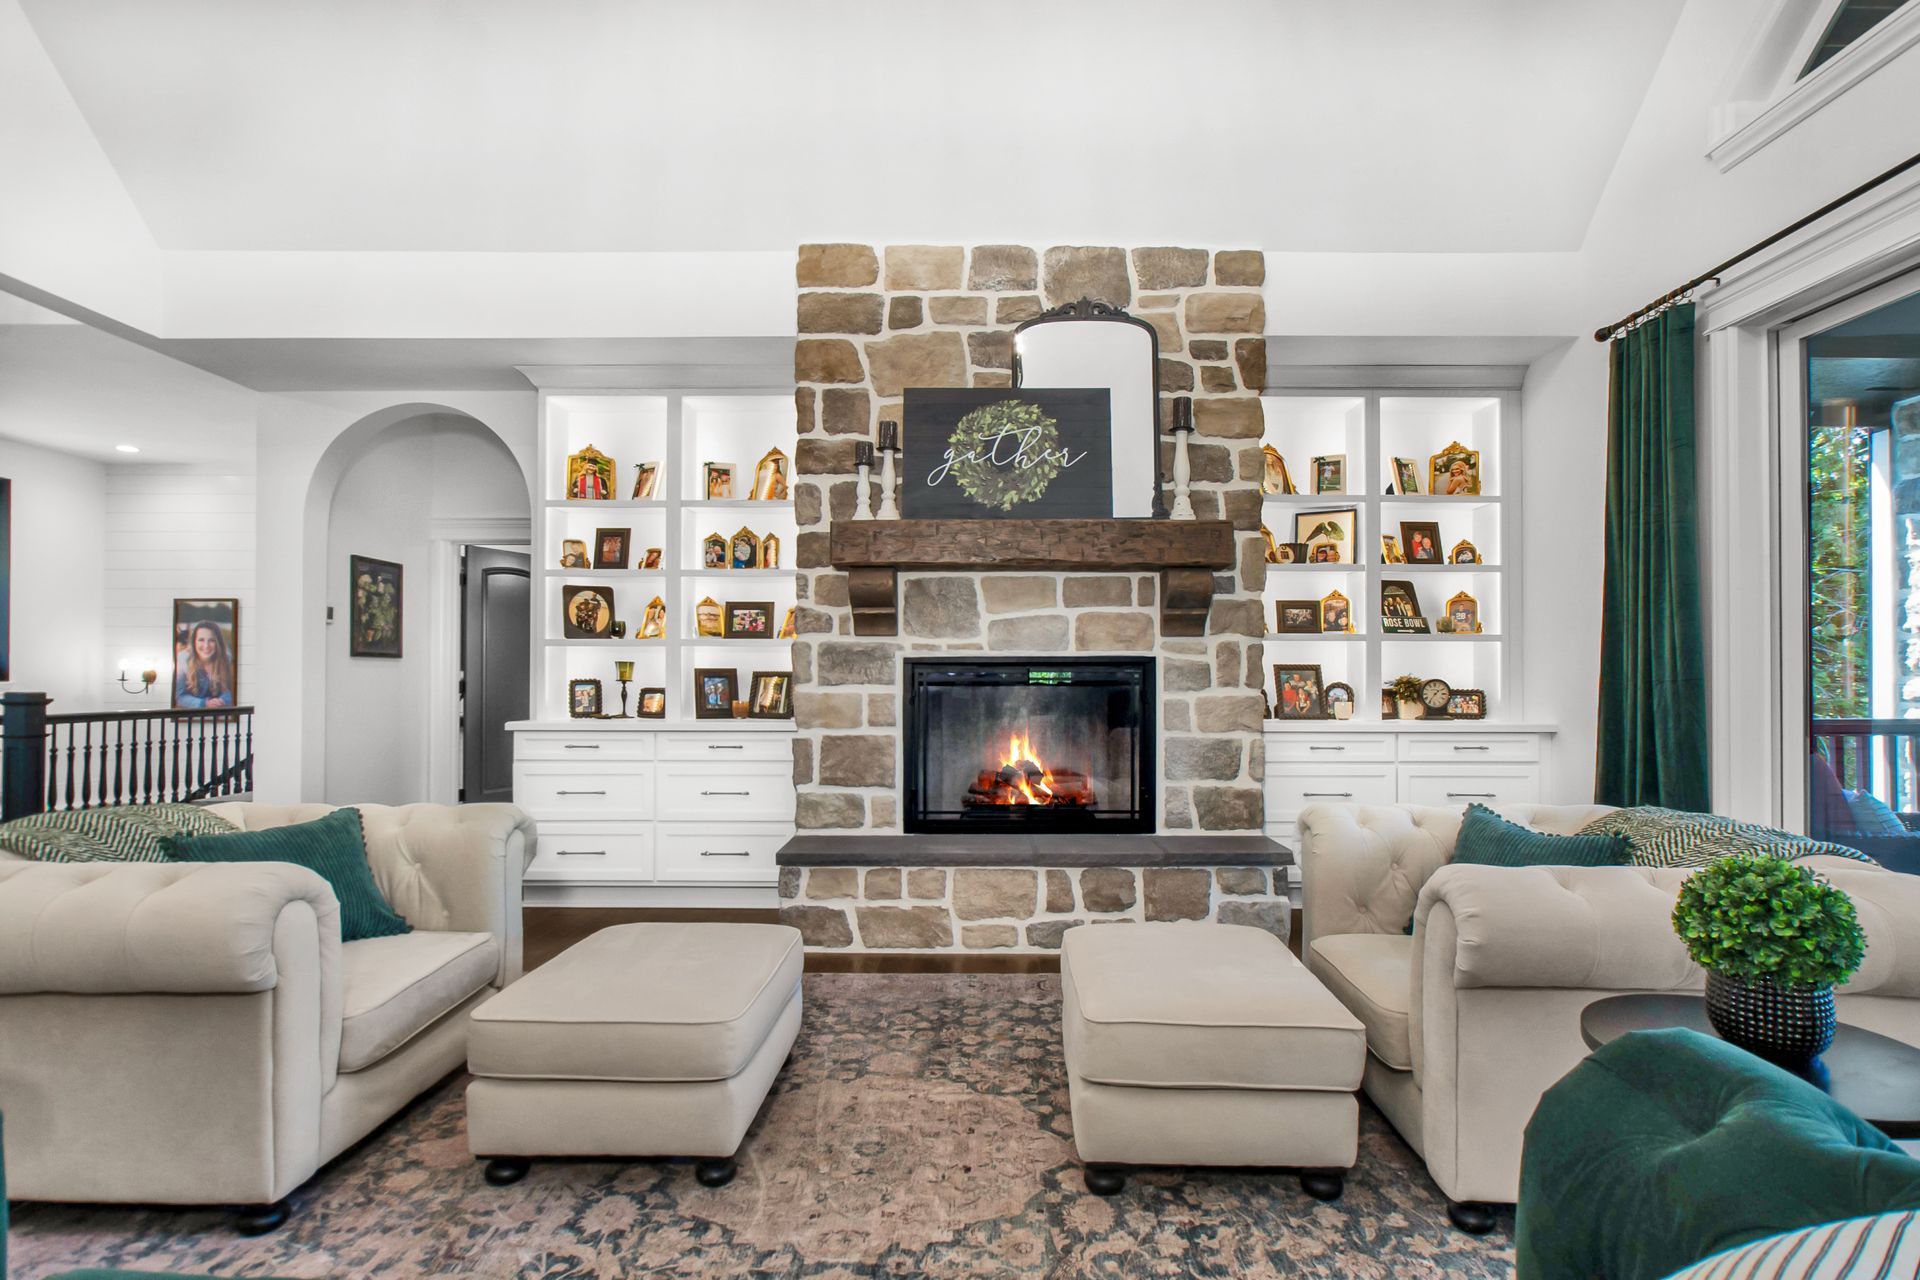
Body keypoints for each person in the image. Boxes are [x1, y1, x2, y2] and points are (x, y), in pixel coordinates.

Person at [175, 620, 236, 708]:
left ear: (218, 643)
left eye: (211, 640)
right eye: (201, 640)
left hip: (219, 714)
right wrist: (204, 703)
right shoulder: (183, 661)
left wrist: (222, 700)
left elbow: (231, 691)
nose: (206, 646)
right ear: (194, 642)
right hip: (192, 715)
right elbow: (179, 696)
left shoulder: (227, 660)